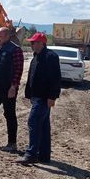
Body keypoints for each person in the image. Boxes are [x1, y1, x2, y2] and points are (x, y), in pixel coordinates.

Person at [17, 32, 61, 164]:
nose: (31, 45)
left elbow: (56, 79)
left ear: (42, 43)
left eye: (34, 42)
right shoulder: (36, 57)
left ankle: (31, 154)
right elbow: (32, 76)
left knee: (34, 122)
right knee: (43, 126)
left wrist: (52, 97)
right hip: (37, 97)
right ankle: (44, 155)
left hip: (44, 97)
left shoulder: (50, 57)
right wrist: (29, 94)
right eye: (31, 42)